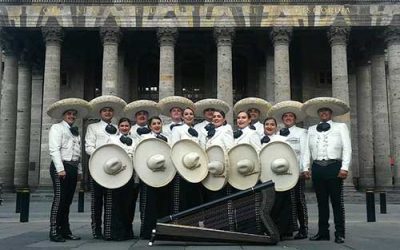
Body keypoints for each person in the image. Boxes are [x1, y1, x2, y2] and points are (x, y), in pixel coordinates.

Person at [302, 97, 351, 244]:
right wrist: (305, 167)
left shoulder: (341, 127)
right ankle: (323, 232)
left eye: (326, 111)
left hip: (334, 166)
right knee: (321, 202)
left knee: (337, 202)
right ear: (318, 114)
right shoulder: (311, 129)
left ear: (331, 113)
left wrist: (345, 167)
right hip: (317, 167)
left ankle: (340, 233)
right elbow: (306, 151)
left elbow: (347, 148)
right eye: (321, 111)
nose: (323, 113)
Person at [47, 98, 90, 242]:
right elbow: (54, 150)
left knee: (68, 201)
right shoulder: (57, 128)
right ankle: (54, 230)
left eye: (73, 114)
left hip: (72, 167)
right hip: (61, 167)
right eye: (69, 114)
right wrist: (60, 169)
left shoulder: (75, 132)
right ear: (63, 115)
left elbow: (77, 154)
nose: (71, 116)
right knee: (59, 199)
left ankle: (65, 230)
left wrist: (79, 172)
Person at [85, 95, 127, 239]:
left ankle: (109, 230)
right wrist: (101, 157)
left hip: (112, 169)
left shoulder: (117, 128)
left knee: (111, 200)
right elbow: (88, 147)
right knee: (96, 201)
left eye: (110, 111)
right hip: (97, 168)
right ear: (100, 113)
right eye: (105, 111)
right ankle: (96, 229)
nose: (108, 113)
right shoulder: (93, 127)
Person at [268, 100, 309, 239]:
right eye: (285, 116)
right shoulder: (278, 134)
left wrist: (305, 168)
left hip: (296, 171)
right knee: (285, 201)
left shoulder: (302, 132)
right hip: (282, 174)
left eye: (290, 116)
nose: (288, 118)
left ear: (295, 119)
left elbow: (305, 151)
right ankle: (289, 228)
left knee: (299, 200)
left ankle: (304, 228)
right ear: (282, 119)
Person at [260, 116, 295, 240]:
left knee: (282, 203)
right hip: (265, 176)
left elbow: (288, 156)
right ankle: (268, 229)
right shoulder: (259, 139)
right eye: (267, 124)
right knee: (268, 204)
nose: (269, 126)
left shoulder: (282, 139)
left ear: (276, 127)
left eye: (272, 124)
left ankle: (283, 230)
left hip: (280, 175)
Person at [138, 116, 173, 239]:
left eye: (159, 123)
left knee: (164, 203)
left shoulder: (168, 138)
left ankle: (164, 231)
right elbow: (140, 156)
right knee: (149, 204)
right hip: (148, 174)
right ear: (149, 126)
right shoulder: (144, 138)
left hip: (164, 173)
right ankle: (148, 231)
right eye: (154, 123)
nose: (157, 125)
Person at [106, 117, 138, 241]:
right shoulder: (112, 139)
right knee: (117, 204)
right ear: (118, 127)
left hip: (130, 175)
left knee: (129, 204)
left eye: (126, 126)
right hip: (117, 175)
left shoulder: (135, 140)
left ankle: (127, 231)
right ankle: (116, 232)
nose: (124, 128)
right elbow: (108, 155)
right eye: (122, 126)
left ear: (130, 128)